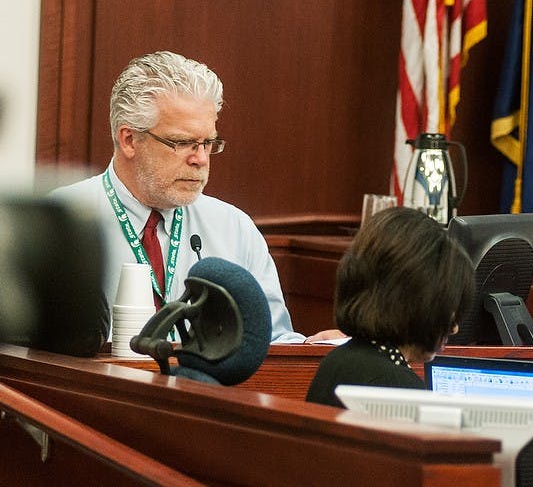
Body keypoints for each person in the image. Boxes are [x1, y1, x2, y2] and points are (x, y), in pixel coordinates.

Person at [52, 51, 314, 343]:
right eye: (183, 143)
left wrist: (312, 348)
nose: (201, 159)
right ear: (129, 140)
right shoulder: (61, 222)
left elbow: (272, 342)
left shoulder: (234, 228)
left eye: (208, 143)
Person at [306, 206, 474, 408]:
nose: (454, 327)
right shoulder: (399, 389)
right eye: (447, 304)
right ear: (418, 302)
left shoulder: (337, 361)